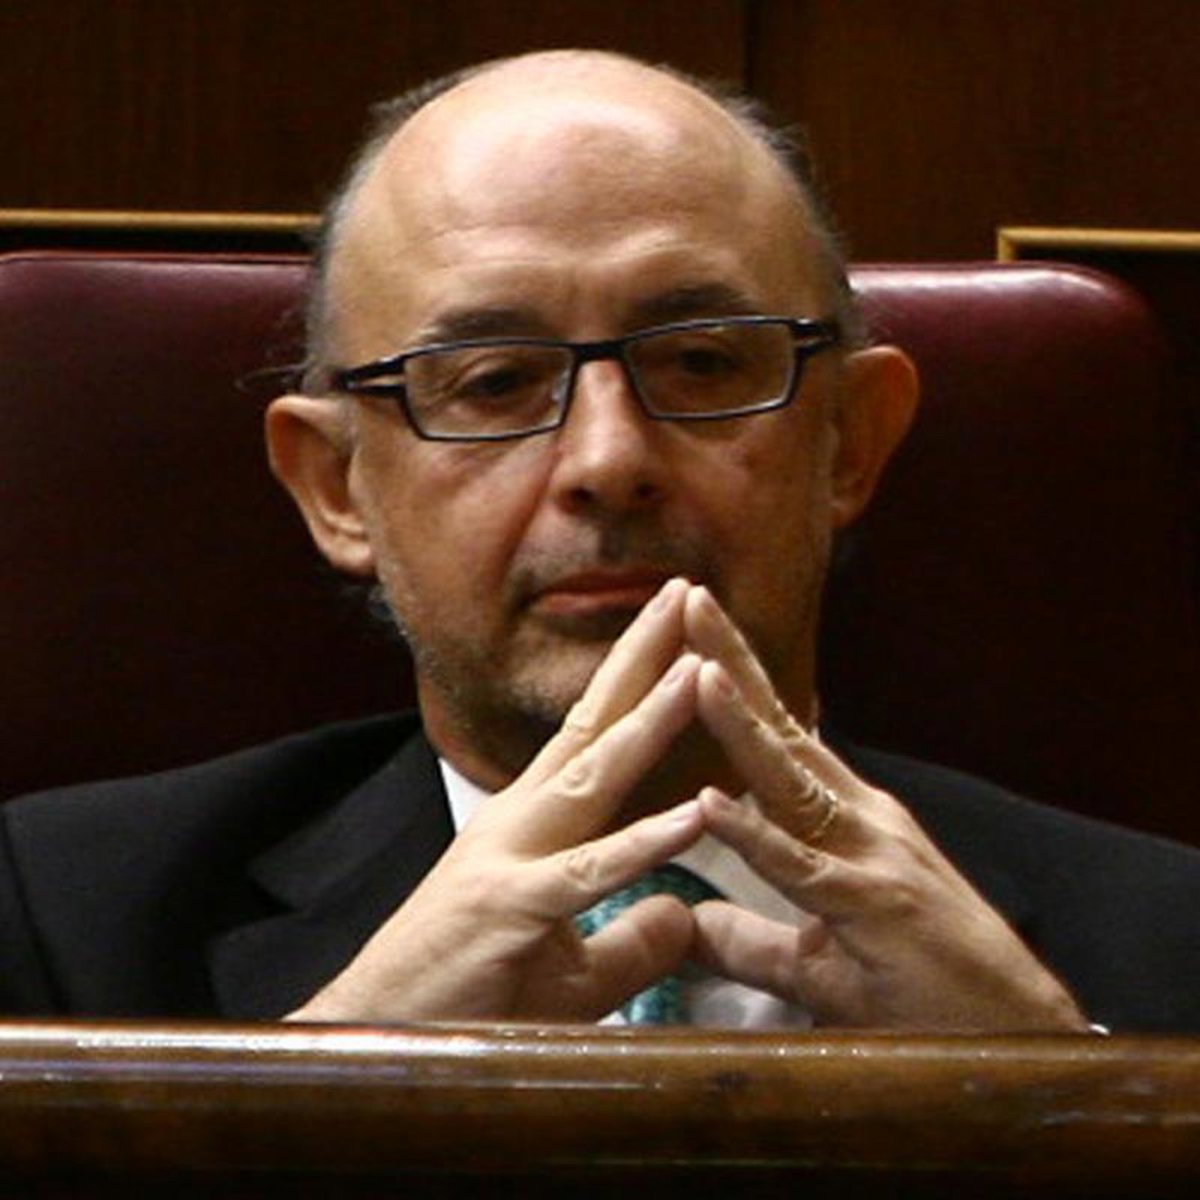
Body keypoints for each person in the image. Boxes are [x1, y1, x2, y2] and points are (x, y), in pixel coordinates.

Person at [2, 50, 1198, 1031]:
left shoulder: (1165, 949)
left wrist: (1065, 1106)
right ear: (337, 490)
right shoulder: (55, 921)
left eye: (703, 364)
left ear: (848, 444)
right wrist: (328, 1096)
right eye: (492, 381)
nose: (608, 460)